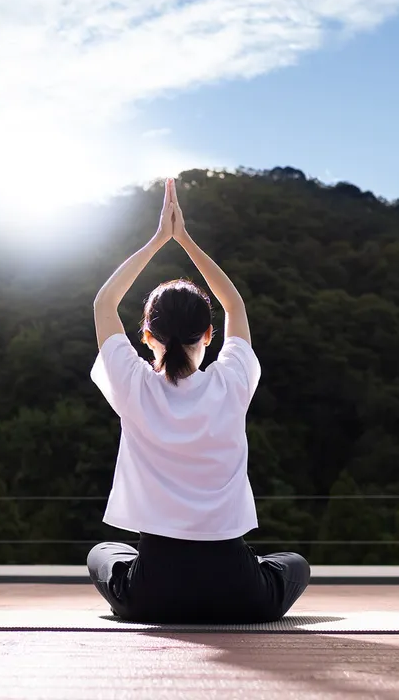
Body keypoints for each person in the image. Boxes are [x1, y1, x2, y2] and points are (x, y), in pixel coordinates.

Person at [86, 177, 310, 624]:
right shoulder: (232, 382)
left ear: (147, 336)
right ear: (209, 335)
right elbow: (236, 305)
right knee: (295, 563)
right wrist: (185, 239)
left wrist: (158, 240)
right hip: (239, 591)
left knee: (103, 552)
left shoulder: (133, 386)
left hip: (154, 592)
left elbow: (103, 303)